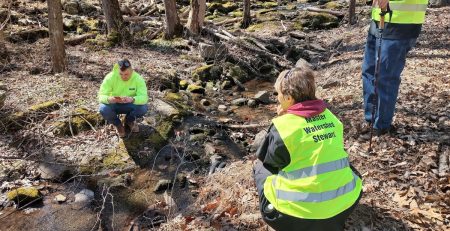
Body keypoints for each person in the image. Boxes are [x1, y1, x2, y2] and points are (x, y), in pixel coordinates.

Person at [253, 66, 362, 231]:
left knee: (260, 167)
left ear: (288, 98)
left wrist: (282, 117)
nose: (277, 98)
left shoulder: (283, 127)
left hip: (293, 218)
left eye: (278, 94)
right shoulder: (332, 119)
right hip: (344, 208)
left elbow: (271, 162)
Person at [361, 0, 428, 137]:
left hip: (401, 26)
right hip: (378, 19)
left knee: (384, 77)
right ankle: (371, 118)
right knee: (368, 71)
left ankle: (381, 126)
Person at [98, 59, 148, 137]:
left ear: (131, 71)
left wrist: (133, 99)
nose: (123, 77)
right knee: (103, 108)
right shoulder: (110, 77)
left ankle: (129, 121)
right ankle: (118, 124)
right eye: (121, 74)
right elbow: (101, 96)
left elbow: (144, 97)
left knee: (143, 108)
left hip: (130, 104)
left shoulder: (138, 78)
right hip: (114, 104)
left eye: (126, 74)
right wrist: (109, 99)